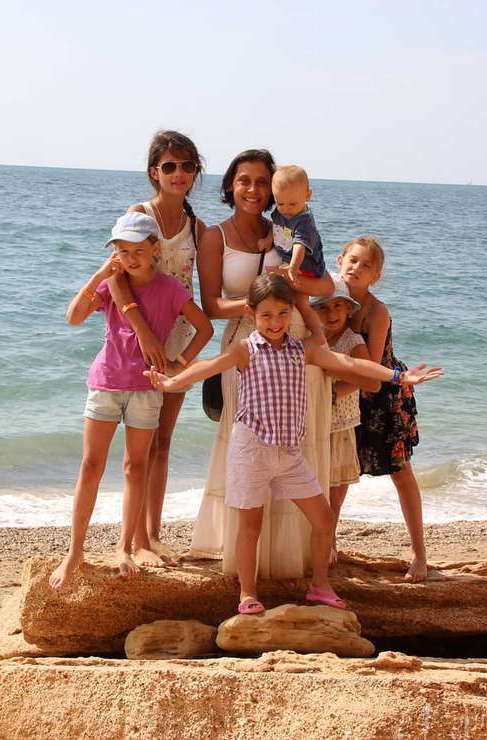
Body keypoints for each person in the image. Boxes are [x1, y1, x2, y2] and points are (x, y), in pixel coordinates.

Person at [146, 274, 442, 613]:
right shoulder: (245, 349)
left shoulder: (304, 350)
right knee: (250, 526)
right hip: (251, 451)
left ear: (292, 312)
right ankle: (247, 594)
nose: (275, 322)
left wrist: (398, 376)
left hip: (289, 454)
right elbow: (208, 367)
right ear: (251, 313)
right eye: (267, 315)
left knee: (324, 521)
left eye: (283, 314)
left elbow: (349, 363)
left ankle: (320, 587)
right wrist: (170, 384)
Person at [191, 149, 335, 580]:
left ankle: (297, 559)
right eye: (244, 180)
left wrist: (289, 287)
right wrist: (259, 303)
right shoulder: (215, 236)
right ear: (230, 186)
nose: (252, 189)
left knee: (296, 449)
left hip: (295, 346)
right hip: (246, 347)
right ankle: (249, 567)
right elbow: (211, 305)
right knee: (248, 453)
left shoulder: (286, 226)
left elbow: (326, 285)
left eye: (260, 182)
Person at [49, 212, 212, 589]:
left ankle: (124, 548)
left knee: (135, 468)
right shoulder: (111, 285)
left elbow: (204, 327)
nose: (131, 258)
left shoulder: (170, 289)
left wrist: (179, 363)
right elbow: (73, 317)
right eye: (123, 251)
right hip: (106, 383)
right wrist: (100, 274)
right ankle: (74, 552)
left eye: (139, 250)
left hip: (146, 390)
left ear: (155, 249)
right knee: (90, 465)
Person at [106, 130, 206, 564]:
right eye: (169, 166)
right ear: (154, 172)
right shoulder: (138, 214)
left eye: (187, 166)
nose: (178, 173)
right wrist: (144, 333)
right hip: (139, 341)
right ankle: (133, 541)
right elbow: (114, 276)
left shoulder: (198, 228)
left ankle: (152, 536)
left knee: (163, 441)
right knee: (139, 448)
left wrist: (186, 358)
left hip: (179, 340)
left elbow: (202, 296)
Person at [339, 236, 429, 582]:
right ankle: (326, 546)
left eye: (366, 265)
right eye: (352, 260)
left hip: (382, 397)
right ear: (340, 260)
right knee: (338, 474)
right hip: (348, 394)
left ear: (376, 276)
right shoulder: (330, 299)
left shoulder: (377, 312)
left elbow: (372, 371)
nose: (356, 268)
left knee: (401, 473)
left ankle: (419, 554)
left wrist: (330, 394)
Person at [310, 281, 377, 565]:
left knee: (334, 495)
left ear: (349, 309)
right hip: (314, 424)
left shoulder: (353, 341)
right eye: (323, 308)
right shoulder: (314, 339)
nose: (331, 313)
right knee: (314, 490)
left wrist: (335, 389)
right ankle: (312, 541)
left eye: (338, 306)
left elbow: (371, 381)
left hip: (340, 425)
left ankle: (329, 542)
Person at [257, 165, 326, 344]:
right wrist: (268, 239)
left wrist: (293, 267)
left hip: (307, 265)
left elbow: (299, 246)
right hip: (291, 261)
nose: (286, 209)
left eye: (292, 204)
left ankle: (318, 334)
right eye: (280, 203)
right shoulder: (280, 212)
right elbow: (276, 228)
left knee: (302, 302)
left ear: (307, 195)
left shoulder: (304, 221)